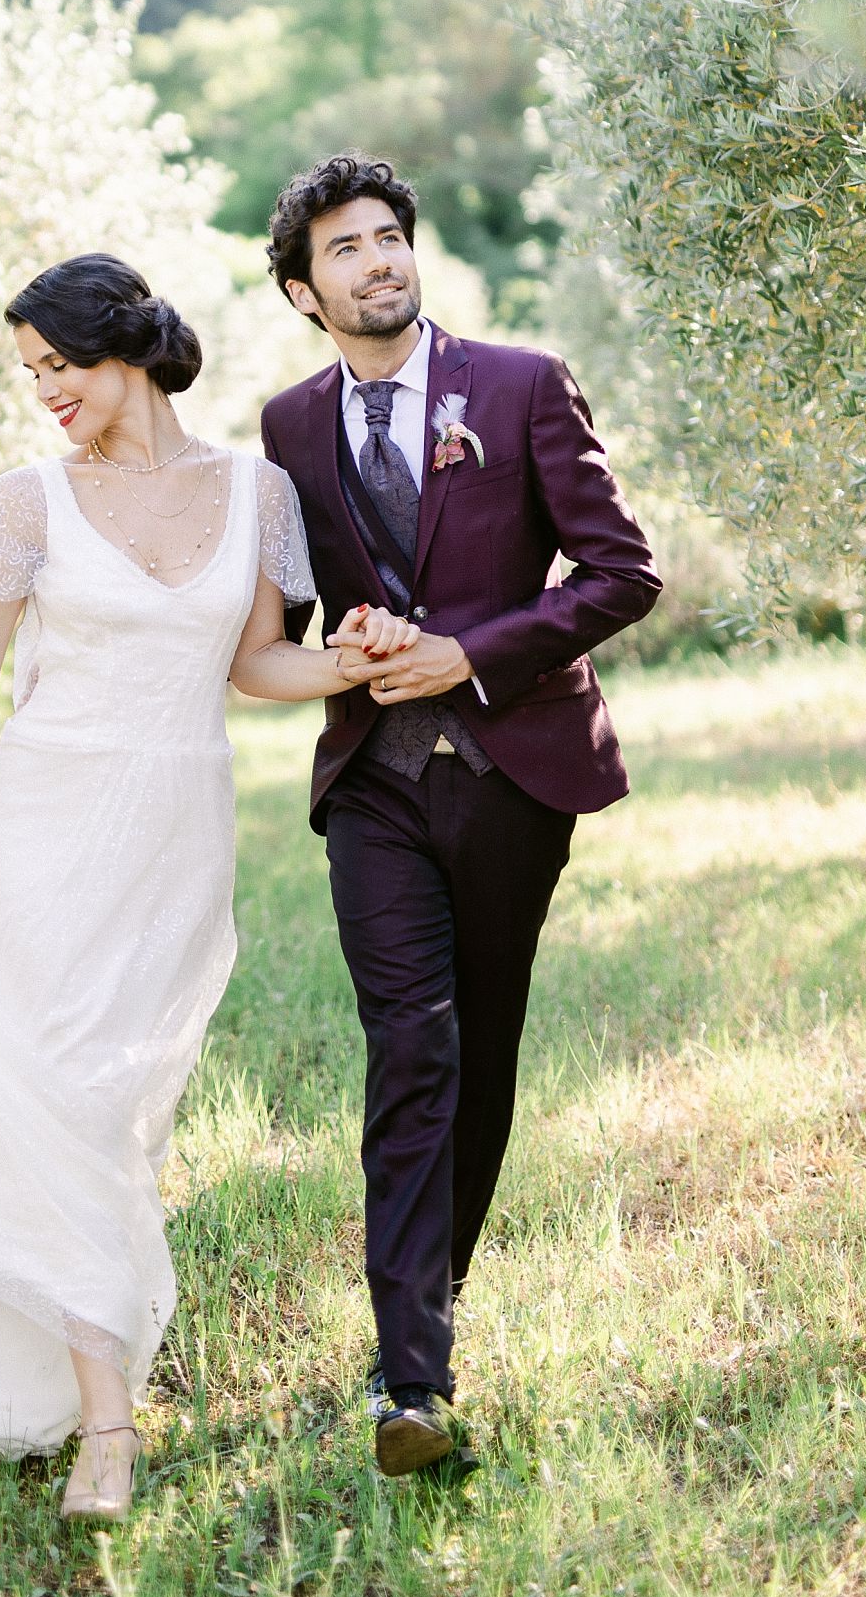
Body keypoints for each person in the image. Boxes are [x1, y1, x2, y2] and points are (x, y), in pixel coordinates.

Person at [0, 252, 407, 1521]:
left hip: (178, 829)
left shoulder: (257, 491)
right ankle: (109, 1426)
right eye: (29, 372)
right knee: (49, 1087)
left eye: (57, 363)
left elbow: (258, 662)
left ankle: (56, 1353)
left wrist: (353, 666)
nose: (43, 390)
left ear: (128, 348)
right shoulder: (24, 504)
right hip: (50, 826)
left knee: (115, 1106)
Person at [259, 155, 661, 1478]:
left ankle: (429, 1306)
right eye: (344, 249)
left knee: (479, 1051)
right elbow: (305, 615)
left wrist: (471, 652)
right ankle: (410, 1376)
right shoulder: (284, 428)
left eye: (390, 238)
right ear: (304, 290)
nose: (376, 259)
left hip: (512, 771)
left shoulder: (522, 384)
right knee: (410, 1044)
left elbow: (621, 570)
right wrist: (360, 643)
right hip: (371, 776)